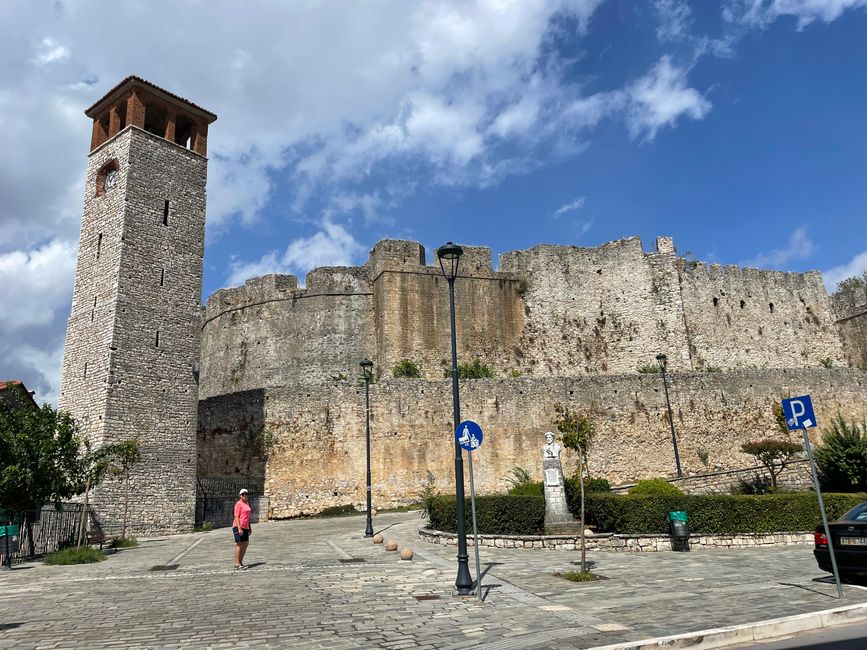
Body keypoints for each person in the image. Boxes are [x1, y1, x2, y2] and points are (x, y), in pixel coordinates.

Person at [232, 488, 252, 570]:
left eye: (246, 494)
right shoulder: (238, 504)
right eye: (243, 494)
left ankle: (240, 562)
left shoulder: (247, 503)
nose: (245, 496)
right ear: (240, 496)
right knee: (239, 544)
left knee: (246, 543)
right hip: (238, 526)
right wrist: (239, 528)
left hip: (246, 526)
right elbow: (236, 516)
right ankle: (237, 563)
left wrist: (250, 527)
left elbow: (248, 517)